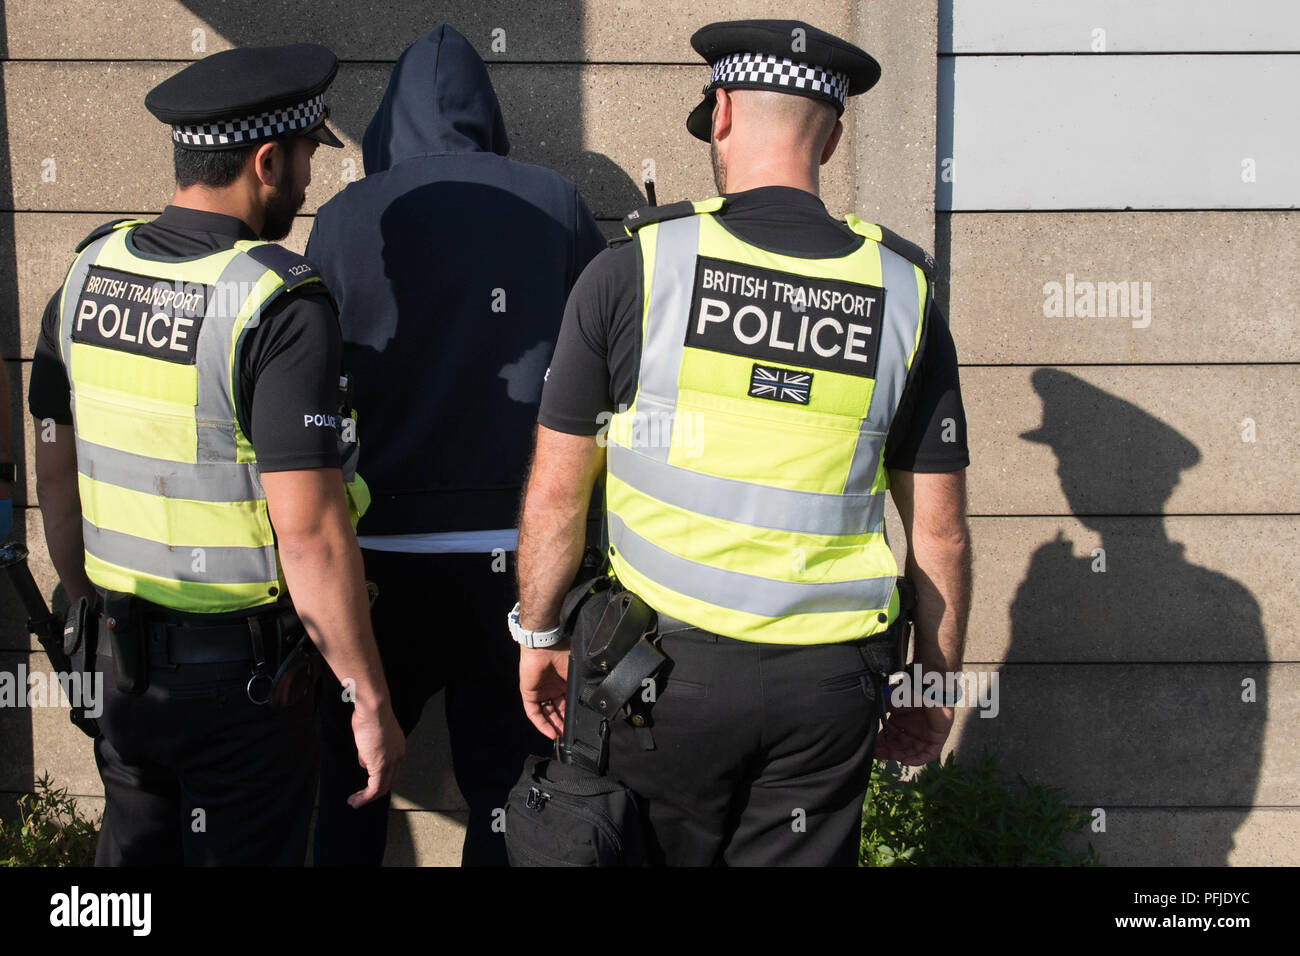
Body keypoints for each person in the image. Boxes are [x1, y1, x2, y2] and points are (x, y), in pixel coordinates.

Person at [514, 19, 972, 866]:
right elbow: (938, 532)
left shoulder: (636, 268)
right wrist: (932, 683)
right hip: (827, 692)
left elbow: (556, 493)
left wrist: (538, 634)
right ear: (831, 139)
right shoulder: (903, 294)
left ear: (721, 113)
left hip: (655, 680)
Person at [27, 44, 404, 866]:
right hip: (243, 688)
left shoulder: (90, 272)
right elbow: (307, 535)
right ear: (267, 160)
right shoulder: (278, 302)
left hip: (124, 668)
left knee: (126, 880)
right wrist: (367, 695)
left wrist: (94, 602)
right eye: (305, 158)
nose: (307, 183)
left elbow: (54, 473)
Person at [306, 24, 606, 867]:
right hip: (519, 558)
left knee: (354, 778)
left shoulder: (345, 215)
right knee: (513, 791)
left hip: (375, 558)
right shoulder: (556, 203)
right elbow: (598, 368)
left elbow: (309, 378)